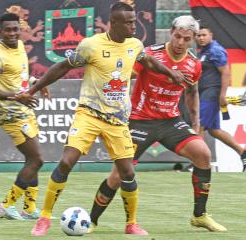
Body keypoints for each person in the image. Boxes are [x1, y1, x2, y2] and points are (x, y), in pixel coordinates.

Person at [26, 2, 188, 236]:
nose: (134, 25)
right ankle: (44, 218)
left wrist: (170, 72)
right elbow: (62, 67)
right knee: (66, 162)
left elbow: (148, 61)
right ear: (114, 23)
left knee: (128, 173)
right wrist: (33, 89)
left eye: (134, 21)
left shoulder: (135, 45)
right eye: (129, 22)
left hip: (117, 120)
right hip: (89, 114)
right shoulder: (91, 45)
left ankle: (131, 224)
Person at [88, 16, 228, 233]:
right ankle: (92, 221)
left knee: (203, 154)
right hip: (139, 121)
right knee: (118, 175)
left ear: (192, 40)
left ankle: (199, 215)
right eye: (177, 36)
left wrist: (195, 123)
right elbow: (124, 77)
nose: (180, 42)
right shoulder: (150, 54)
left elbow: (191, 93)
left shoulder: (194, 64)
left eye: (186, 39)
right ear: (171, 32)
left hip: (171, 122)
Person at [0, 13, 49, 221]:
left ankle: (29, 209)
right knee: (37, 160)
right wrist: (16, 97)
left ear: (20, 30)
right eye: (8, 30)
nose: (12, 33)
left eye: (15, 29)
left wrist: (37, 82)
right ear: (0, 32)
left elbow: (17, 76)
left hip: (25, 110)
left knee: (33, 159)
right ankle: (6, 205)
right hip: (11, 114)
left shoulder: (19, 46)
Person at [195, 25, 246, 172]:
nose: (201, 38)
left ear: (211, 35)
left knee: (200, 125)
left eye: (204, 35)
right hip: (205, 93)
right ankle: (243, 152)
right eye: (198, 35)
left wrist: (222, 95)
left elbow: (226, 73)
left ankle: (198, 162)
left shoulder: (215, 50)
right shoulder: (203, 51)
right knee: (214, 130)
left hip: (212, 93)